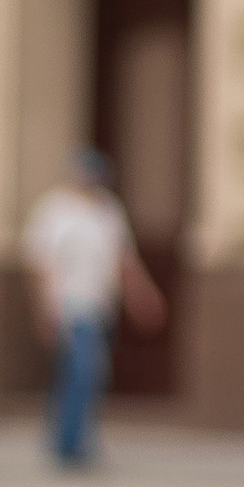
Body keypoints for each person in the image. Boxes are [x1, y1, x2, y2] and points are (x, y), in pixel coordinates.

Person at [22, 146, 163, 469]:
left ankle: (69, 436)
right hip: (69, 306)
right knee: (84, 368)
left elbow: (124, 259)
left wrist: (142, 295)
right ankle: (70, 443)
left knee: (83, 372)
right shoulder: (54, 210)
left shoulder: (108, 212)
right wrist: (44, 308)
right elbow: (40, 263)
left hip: (101, 305)